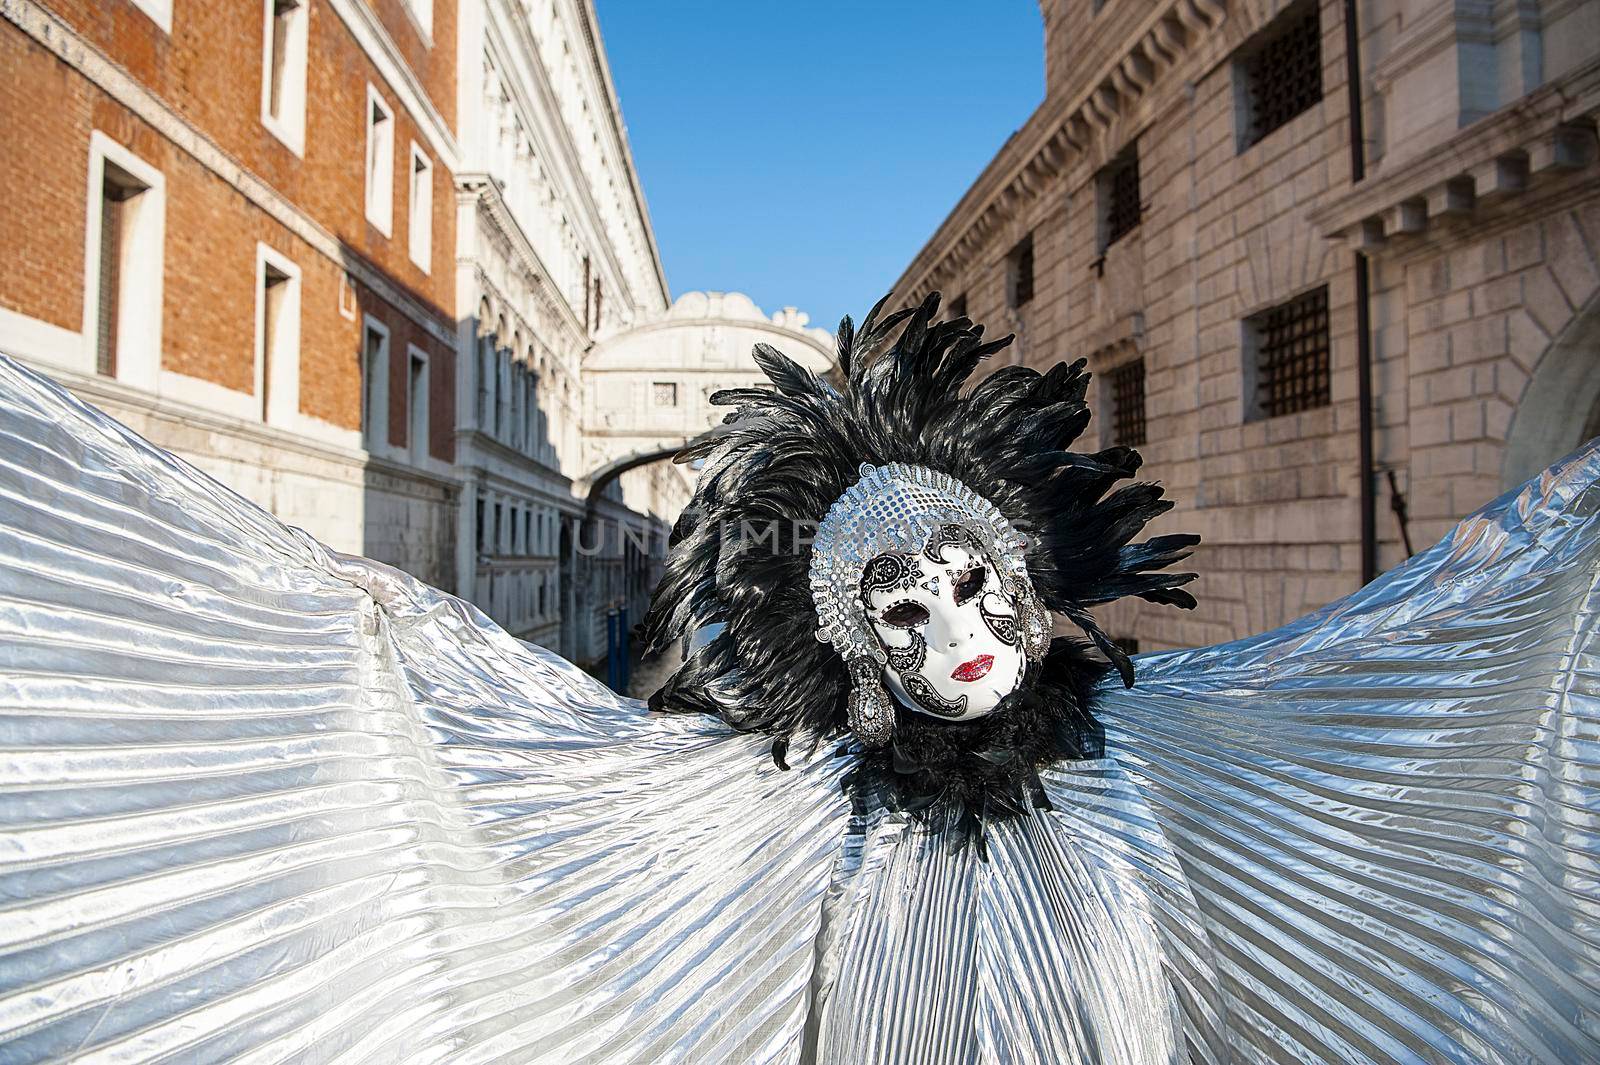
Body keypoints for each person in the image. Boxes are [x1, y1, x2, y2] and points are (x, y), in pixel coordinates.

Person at [0, 295, 1595, 1064]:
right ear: (855, 653)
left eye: (973, 587)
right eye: (900, 610)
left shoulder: (1161, 752)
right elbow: (544, 781)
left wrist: (1561, 552)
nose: (949, 628)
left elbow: (1392, 673)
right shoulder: (798, 809)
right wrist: (373, 636)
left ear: (1035, 592)